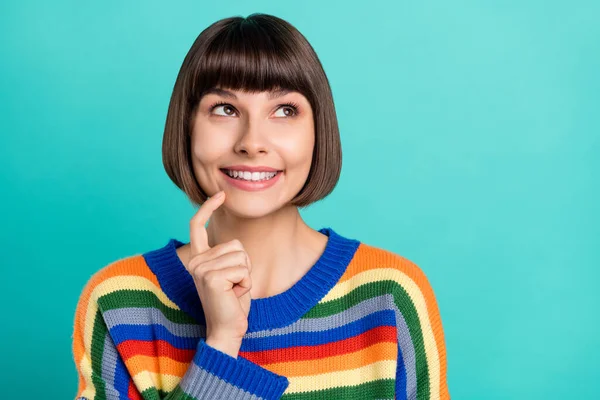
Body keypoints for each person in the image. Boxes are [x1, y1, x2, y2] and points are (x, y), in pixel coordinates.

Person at [72, 13, 450, 400]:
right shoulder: (121, 302)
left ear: (319, 132)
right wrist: (221, 346)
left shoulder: (389, 296)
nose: (252, 142)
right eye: (225, 109)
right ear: (186, 127)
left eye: (285, 110)